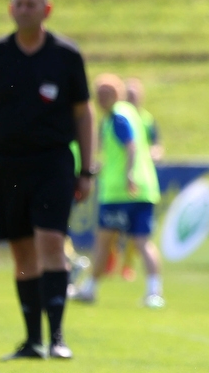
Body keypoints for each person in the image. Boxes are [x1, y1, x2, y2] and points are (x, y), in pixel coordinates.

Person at [0, 0, 95, 360]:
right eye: (19, 2)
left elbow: (83, 115)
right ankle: (32, 339)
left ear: (47, 10)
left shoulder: (66, 56)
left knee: (50, 242)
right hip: (6, 164)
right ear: (10, 9)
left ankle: (57, 337)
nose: (25, 9)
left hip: (53, 162)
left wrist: (87, 168)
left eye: (32, 3)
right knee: (21, 252)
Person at [71, 74, 165, 308]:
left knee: (104, 241)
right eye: (98, 94)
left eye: (105, 94)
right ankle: (154, 292)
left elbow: (130, 147)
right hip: (144, 189)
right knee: (142, 241)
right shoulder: (131, 114)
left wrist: (128, 174)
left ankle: (90, 289)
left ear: (116, 94)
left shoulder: (118, 116)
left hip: (120, 191)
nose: (101, 99)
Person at [115, 77, 164, 281]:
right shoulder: (120, 117)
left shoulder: (143, 119)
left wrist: (154, 153)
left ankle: (94, 282)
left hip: (131, 183)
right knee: (120, 237)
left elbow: (156, 146)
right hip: (131, 185)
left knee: (134, 238)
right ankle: (118, 269)